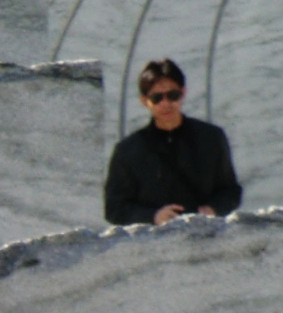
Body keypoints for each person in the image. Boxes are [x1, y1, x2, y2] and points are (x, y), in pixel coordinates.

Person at [103, 58, 243, 226]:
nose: (166, 104)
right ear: (144, 101)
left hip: (205, 238)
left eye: (173, 95)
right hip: (155, 245)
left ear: (183, 93)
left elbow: (231, 191)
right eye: (157, 98)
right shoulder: (128, 150)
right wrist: (154, 216)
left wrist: (212, 209)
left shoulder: (211, 137)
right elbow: (114, 208)